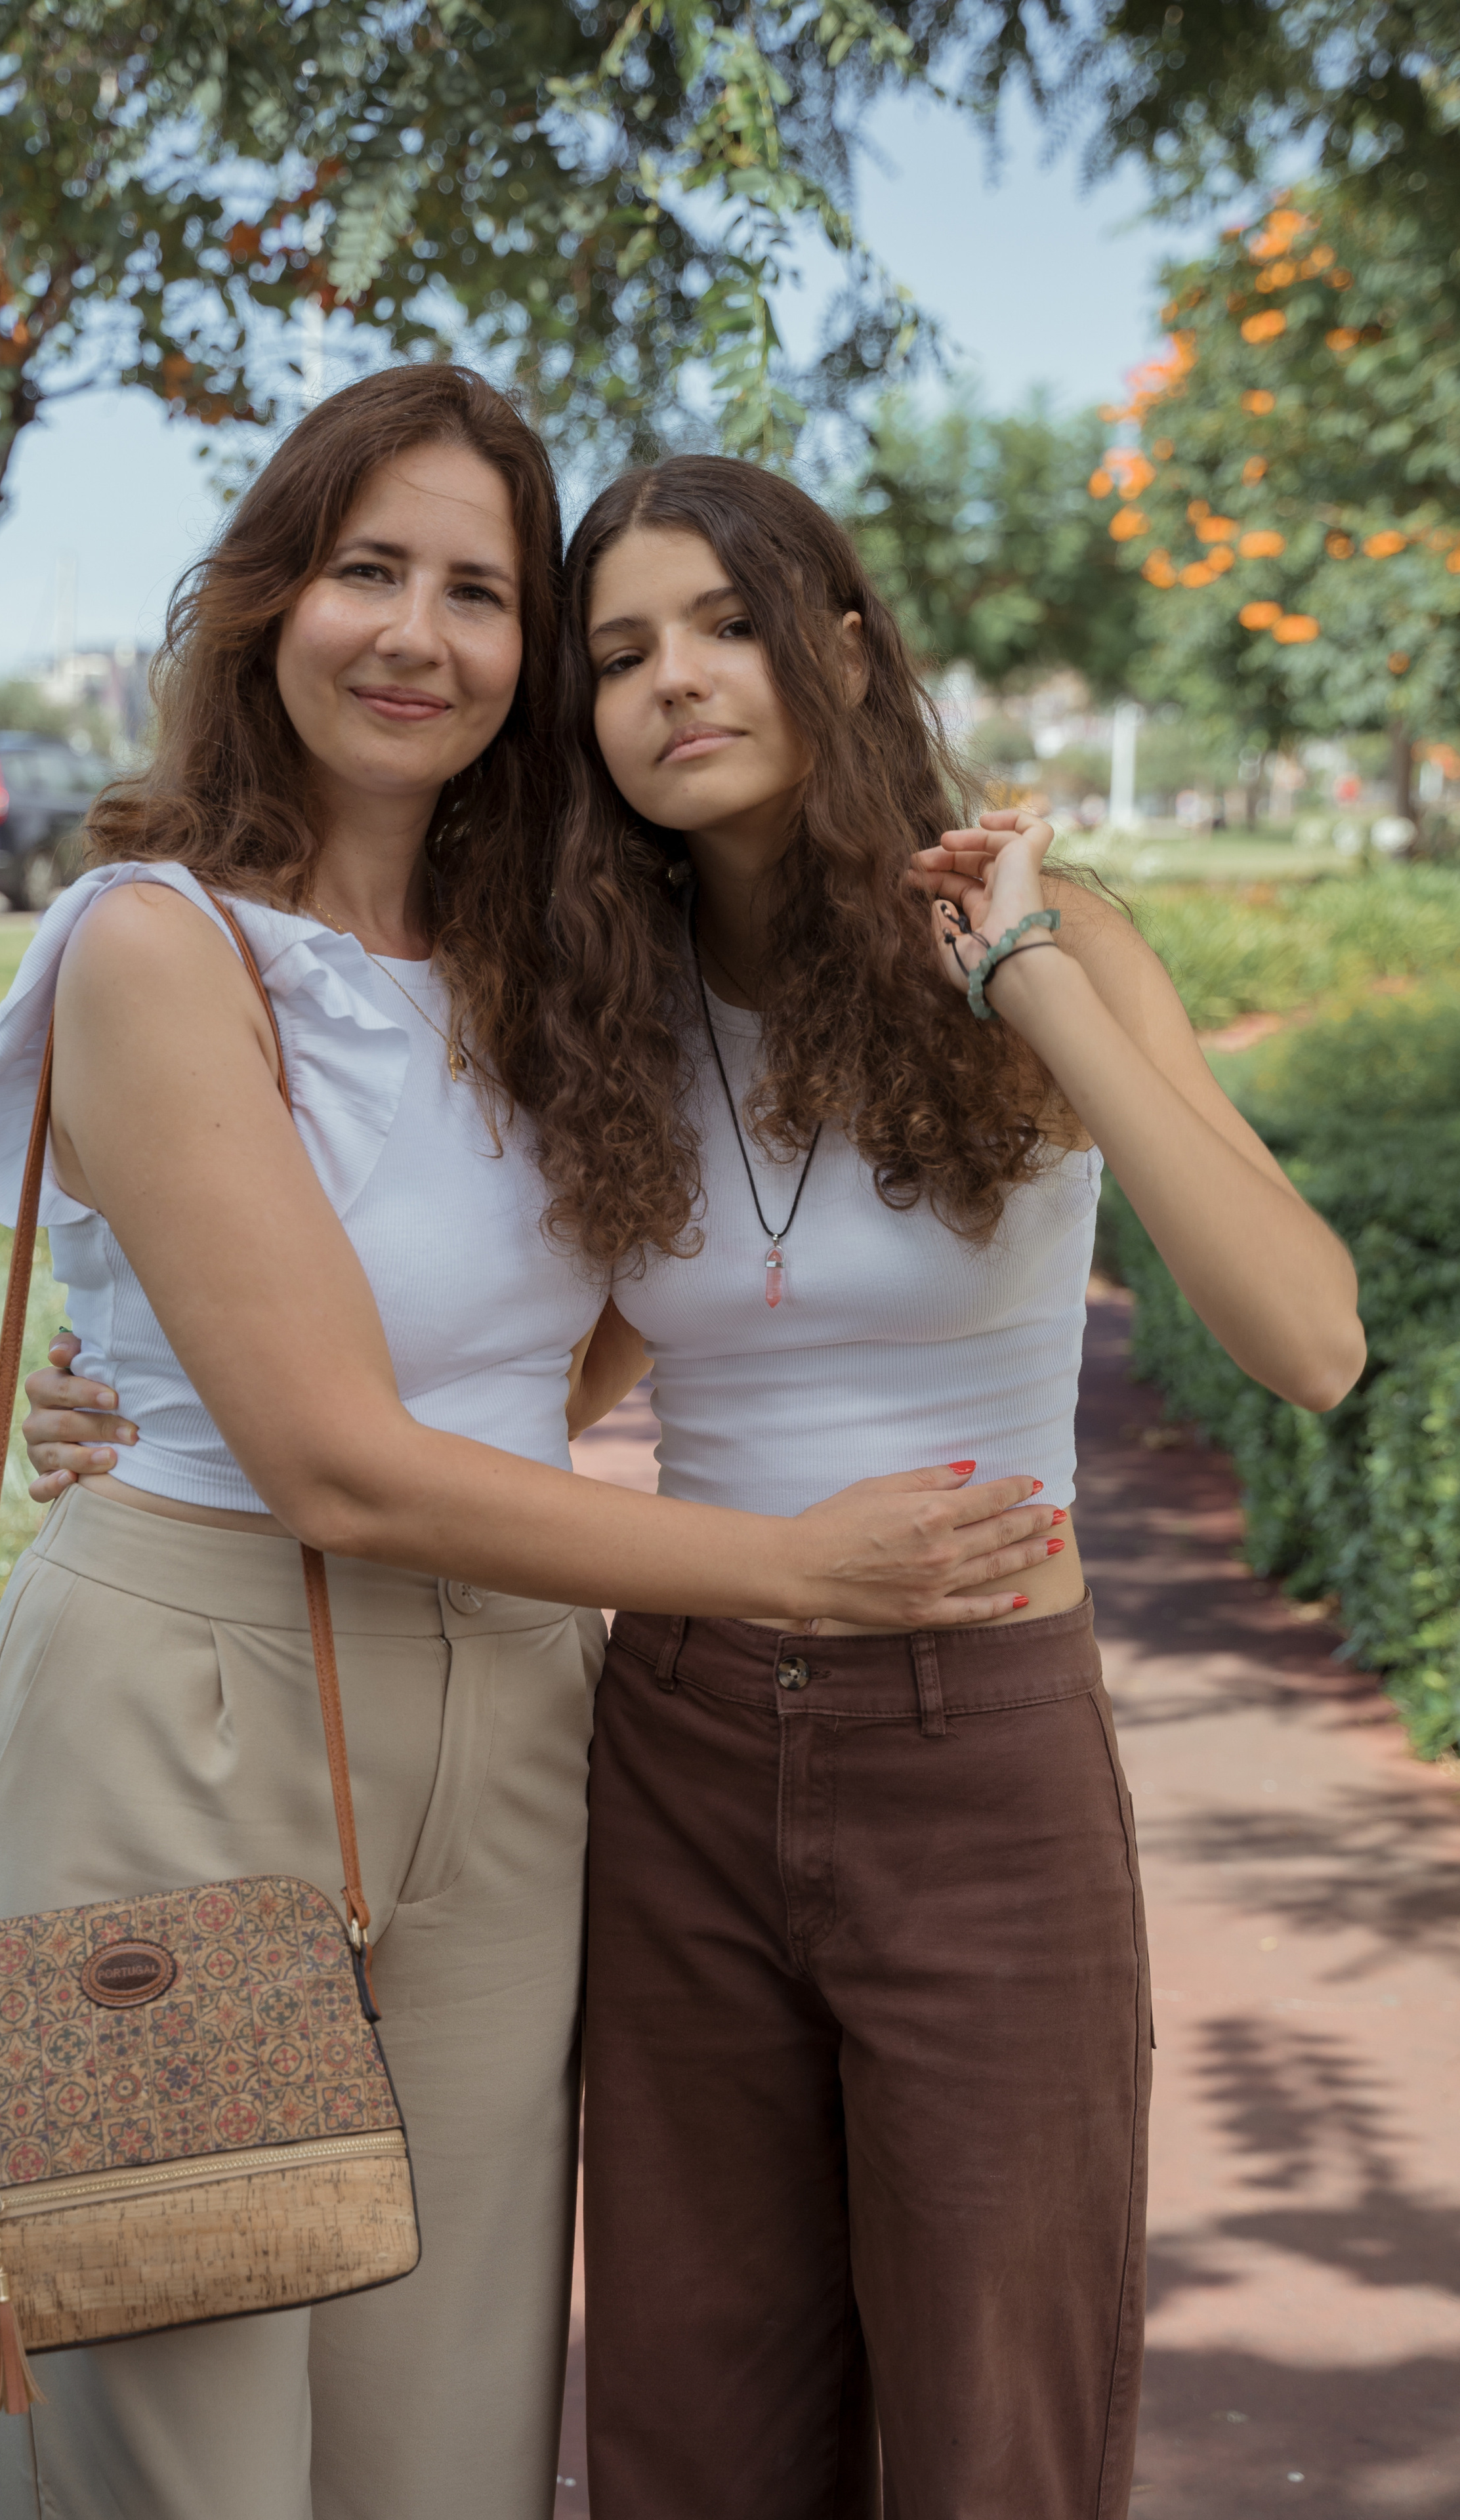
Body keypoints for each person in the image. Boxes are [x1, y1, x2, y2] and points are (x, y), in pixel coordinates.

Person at [0, 372, 1062, 2520]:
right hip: (202, 1698)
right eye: (369, 570)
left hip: (519, 1710)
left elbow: (574, 1337)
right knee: (183, 2405)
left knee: (443, 2426)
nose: (416, 635)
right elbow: (338, 1463)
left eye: (478, 593)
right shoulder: (159, 947)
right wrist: (798, 1571)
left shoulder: (544, 970)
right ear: (271, 603)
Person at [543, 458, 1363, 2519]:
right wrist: (161, 1421)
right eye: (620, 651)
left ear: (838, 651)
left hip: (978, 1763)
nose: (674, 683)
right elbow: (550, 1369)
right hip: (677, 1756)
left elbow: (1307, 1339)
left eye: (725, 625)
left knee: (1000, 2420)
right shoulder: (604, 1003)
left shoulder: (1035, 944)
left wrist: (1031, 978)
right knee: (694, 2418)